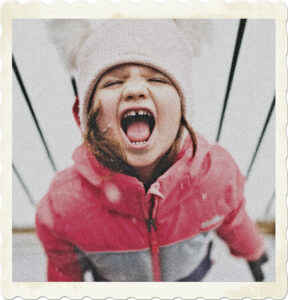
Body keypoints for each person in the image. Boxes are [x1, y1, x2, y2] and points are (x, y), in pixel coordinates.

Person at [36, 19, 267, 282]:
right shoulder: (66, 204)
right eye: (112, 83)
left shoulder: (215, 175)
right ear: (88, 116)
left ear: (183, 108)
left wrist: (253, 249)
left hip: (189, 278)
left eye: (157, 79)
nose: (135, 90)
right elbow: (63, 270)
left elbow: (233, 220)